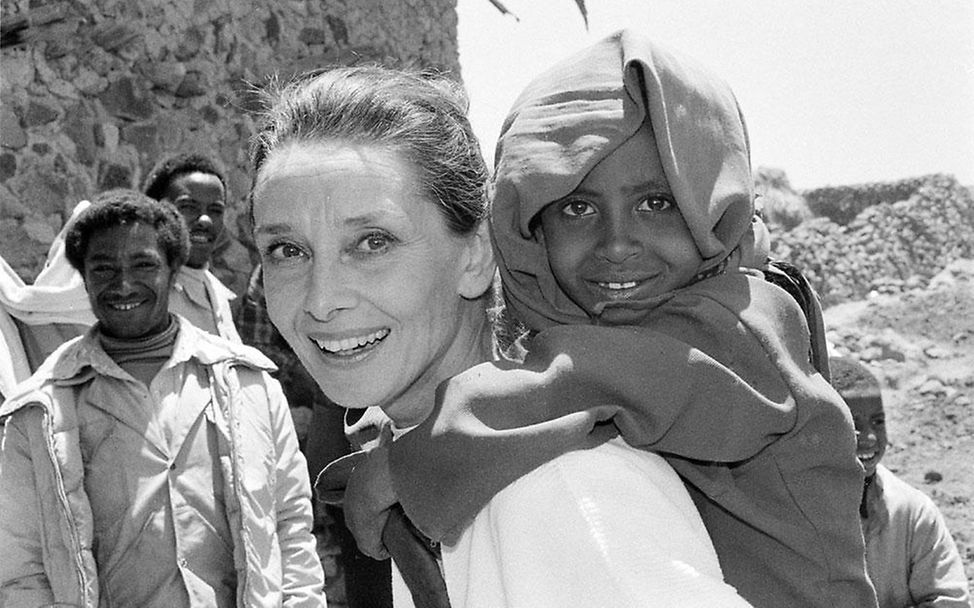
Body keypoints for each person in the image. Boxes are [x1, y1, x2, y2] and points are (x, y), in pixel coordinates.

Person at [342, 30, 880, 608]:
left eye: (657, 204)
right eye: (577, 208)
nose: (618, 244)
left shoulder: (743, 326)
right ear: (530, 228)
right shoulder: (610, 344)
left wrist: (404, 462)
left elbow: (581, 383)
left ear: (715, 206)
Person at [249, 64, 751, 607]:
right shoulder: (439, 464)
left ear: (477, 255)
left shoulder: (562, 492)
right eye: (288, 251)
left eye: (373, 242)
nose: (323, 300)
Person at [0, 189, 326, 607]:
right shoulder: (39, 413)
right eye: (103, 268)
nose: (123, 284)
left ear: (173, 272)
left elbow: (289, 526)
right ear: (84, 278)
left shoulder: (246, 385)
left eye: (143, 265)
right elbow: (21, 569)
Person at [830, 357, 971, 608]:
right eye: (854, 424)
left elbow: (951, 601)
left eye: (878, 422)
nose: (871, 438)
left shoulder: (912, 512)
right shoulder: (790, 510)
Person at [143, 152, 242, 342]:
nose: (205, 220)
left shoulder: (217, 295)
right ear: (155, 211)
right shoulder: (147, 292)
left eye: (215, 210)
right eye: (188, 207)